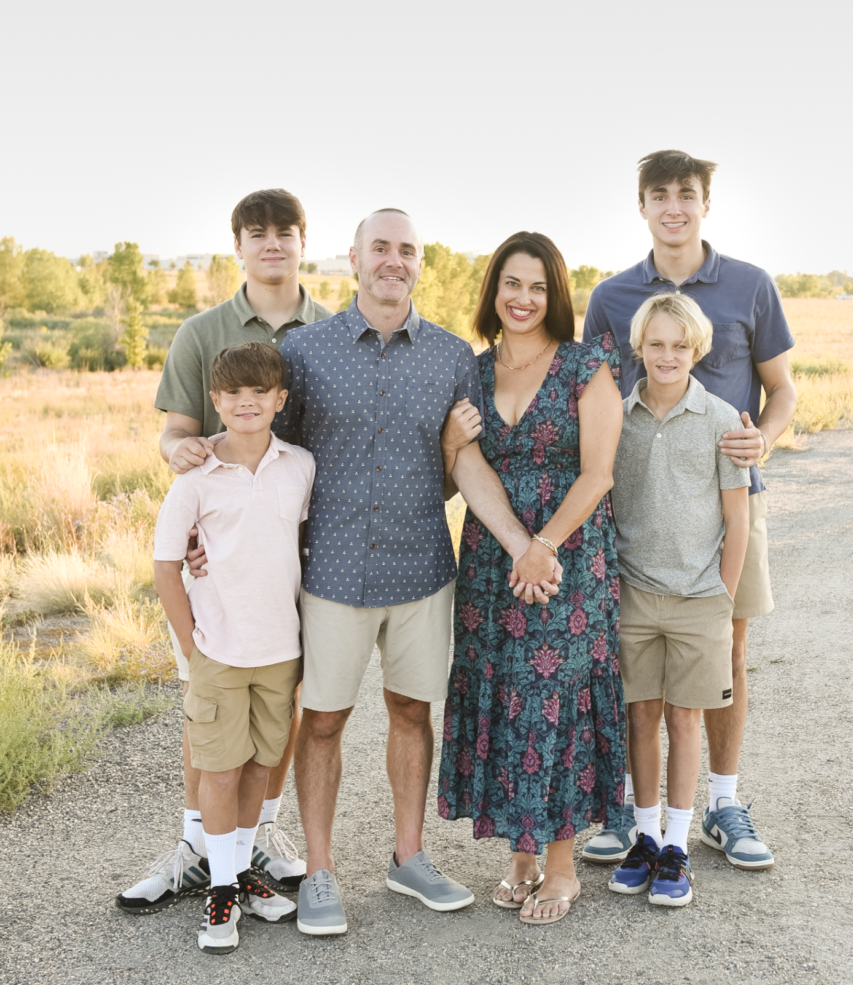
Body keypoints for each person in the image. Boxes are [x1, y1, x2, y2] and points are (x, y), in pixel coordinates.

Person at [272, 209, 562, 936]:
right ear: (354, 259)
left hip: (421, 570)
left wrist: (528, 542)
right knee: (324, 720)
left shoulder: (452, 357)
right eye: (380, 247)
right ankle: (318, 872)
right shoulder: (305, 350)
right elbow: (272, 460)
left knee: (411, 711)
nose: (392, 260)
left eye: (406, 249)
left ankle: (408, 857)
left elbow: (462, 462)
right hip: (332, 571)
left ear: (419, 263)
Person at [117, 189, 332, 914]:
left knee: (282, 701)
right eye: (256, 233)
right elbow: (175, 432)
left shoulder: (332, 330)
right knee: (207, 708)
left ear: (303, 241)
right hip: (217, 552)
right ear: (237, 244)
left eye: (285, 233)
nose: (271, 244)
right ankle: (194, 846)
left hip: (295, 551)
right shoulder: (201, 331)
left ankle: (255, 842)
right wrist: (190, 466)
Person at [582, 150, 796, 868]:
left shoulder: (749, 285)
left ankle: (724, 804)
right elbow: (590, 400)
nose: (672, 206)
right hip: (639, 516)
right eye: (658, 194)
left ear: (705, 203)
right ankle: (631, 812)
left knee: (724, 654)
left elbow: (782, 390)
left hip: (730, 507)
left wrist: (757, 443)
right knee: (634, 667)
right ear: (640, 206)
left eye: (686, 194)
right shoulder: (612, 298)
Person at [438, 231, 626, 927]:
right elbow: (464, 464)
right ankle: (518, 855)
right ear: (492, 291)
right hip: (493, 559)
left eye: (537, 287)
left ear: (556, 296)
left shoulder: (585, 366)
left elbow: (598, 471)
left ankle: (562, 865)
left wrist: (543, 545)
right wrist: (516, 544)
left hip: (568, 556)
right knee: (503, 694)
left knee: (556, 696)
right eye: (510, 284)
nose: (522, 299)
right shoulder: (471, 372)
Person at [153, 342, 313, 952]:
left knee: (258, 765)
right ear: (215, 402)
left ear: (279, 400)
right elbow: (167, 566)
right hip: (218, 650)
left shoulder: (300, 466)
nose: (246, 403)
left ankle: (242, 869)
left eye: (259, 393)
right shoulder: (195, 480)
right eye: (233, 395)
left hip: (279, 649)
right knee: (218, 769)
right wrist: (192, 650)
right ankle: (221, 889)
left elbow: (300, 543)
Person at [606, 294, 750, 907]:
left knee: (685, 718)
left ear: (698, 350)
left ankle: (677, 846)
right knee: (640, 714)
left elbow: (736, 519)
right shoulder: (615, 416)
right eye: (656, 344)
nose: (667, 356)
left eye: (679, 345)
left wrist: (724, 591)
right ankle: (642, 835)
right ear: (639, 348)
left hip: (699, 599)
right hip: (634, 593)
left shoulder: (721, 420)